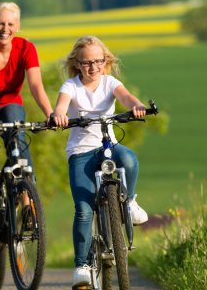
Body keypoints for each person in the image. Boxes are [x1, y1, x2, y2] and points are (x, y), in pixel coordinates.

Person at [50, 35, 149, 288]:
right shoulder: (71, 86)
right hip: (81, 152)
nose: (93, 67)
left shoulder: (110, 82)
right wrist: (59, 115)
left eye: (98, 61)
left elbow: (126, 97)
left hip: (108, 146)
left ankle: (130, 202)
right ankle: (82, 266)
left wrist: (137, 106)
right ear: (77, 64)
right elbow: (61, 106)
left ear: (106, 61)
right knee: (84, 210)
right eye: (86, 62)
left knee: (128, 159)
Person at [0, 2, 53, 200]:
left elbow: (36, 85)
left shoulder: (26, 48)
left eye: (10, 24)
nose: (5, 29)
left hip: (9, 104)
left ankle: (27, 198)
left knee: (17, 137)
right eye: (0, 23)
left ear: (18, 26)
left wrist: (50, 113)